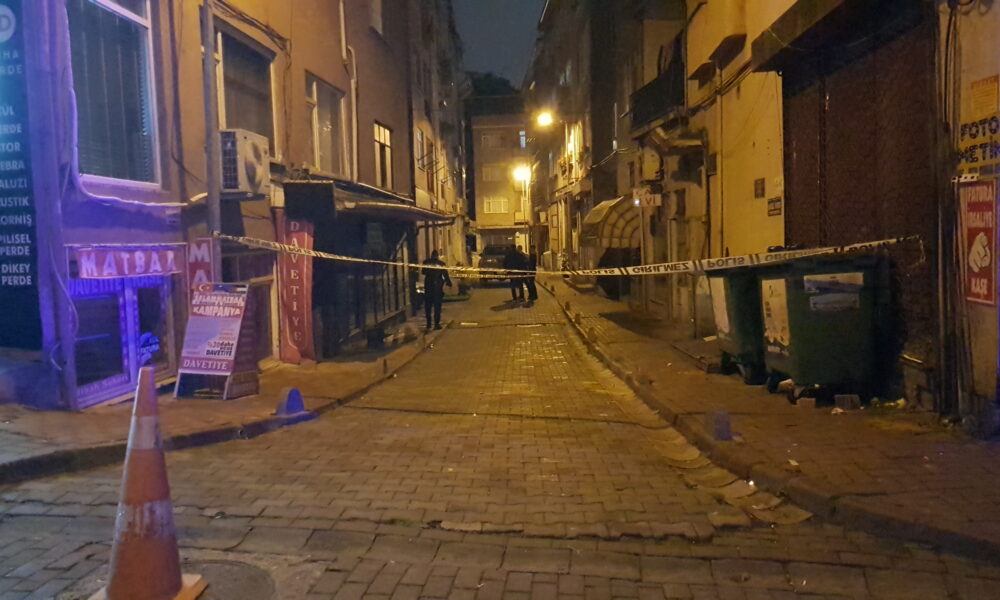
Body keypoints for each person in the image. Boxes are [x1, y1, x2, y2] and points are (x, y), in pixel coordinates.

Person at [422, 250, 451, 330]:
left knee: (428, 306)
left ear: (431, 255)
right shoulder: (441, 264)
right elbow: (445, 274)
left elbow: (423, 272)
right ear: (437, 256)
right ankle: (436, 324)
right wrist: (448, 283)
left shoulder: (426, 262)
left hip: (428, 286)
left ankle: (428, 324)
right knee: (437, 306)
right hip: (437, 287)